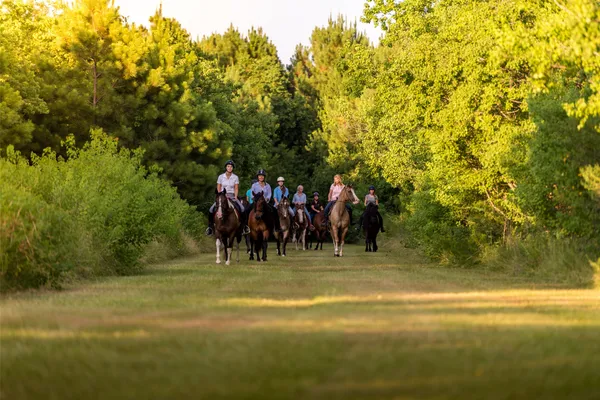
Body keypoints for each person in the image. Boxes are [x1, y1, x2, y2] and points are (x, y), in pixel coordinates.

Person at [206, 160, 249, 235]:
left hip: (232, 195)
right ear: (226, 167)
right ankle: (210, 228)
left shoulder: (235, 177)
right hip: (222, 196)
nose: (229, 168)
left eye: (231, 166)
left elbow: (236, 188)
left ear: (232, 168)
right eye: (228, 166)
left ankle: (244, 227)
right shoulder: (221, 177)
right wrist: (220, 195)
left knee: (242, 209)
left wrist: (235, 196)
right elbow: (218, 187)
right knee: (211, 209)